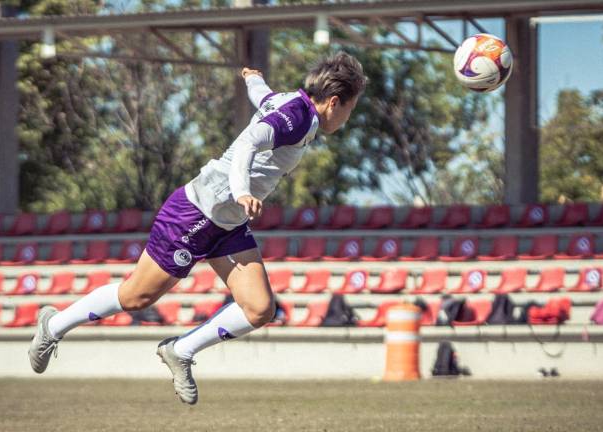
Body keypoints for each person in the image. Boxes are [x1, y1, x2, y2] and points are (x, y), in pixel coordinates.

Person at [28, 51, 366, 405]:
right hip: (196, 212)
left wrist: (253, 79)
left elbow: (264, 98)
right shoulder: (298, 118)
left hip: (228, 223)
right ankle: (52, 326)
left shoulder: (290, 104)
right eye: (350, 109)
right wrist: (242, 192)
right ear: (334, 102)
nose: (346, 118)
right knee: (136, 297)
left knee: (259, 308)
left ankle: (181, 350)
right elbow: (251, 141)